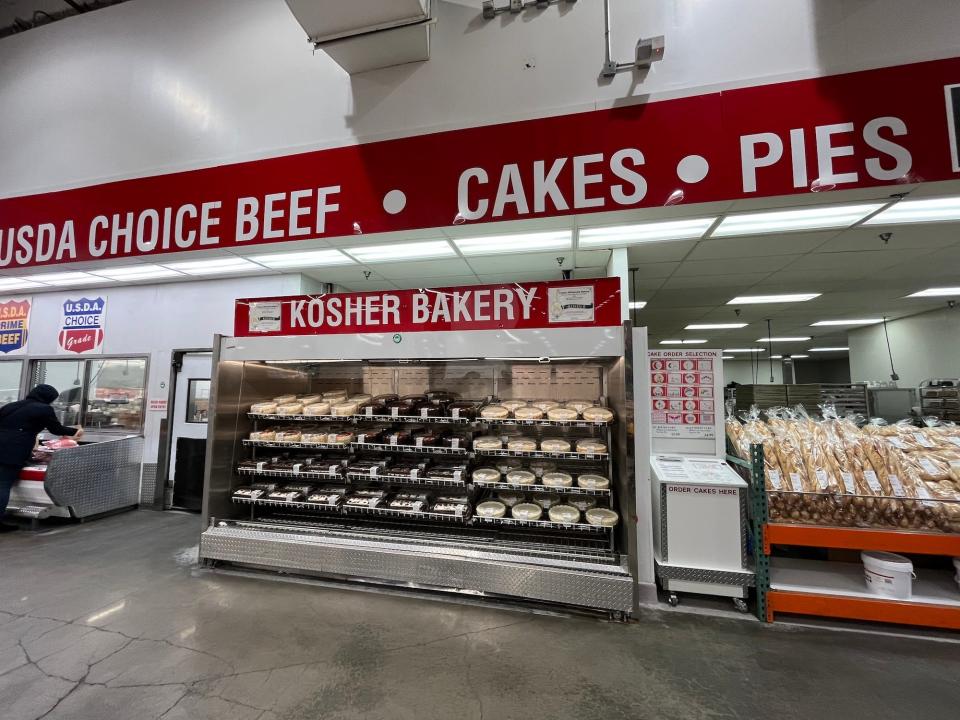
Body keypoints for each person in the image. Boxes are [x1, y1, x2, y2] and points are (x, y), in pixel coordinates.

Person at [0, 384, 84, 532]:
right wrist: (75, 431)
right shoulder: (43, 409)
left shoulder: (11, 406)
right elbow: (55, 429)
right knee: (3, 484)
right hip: (12, 451)